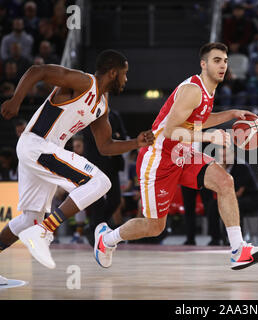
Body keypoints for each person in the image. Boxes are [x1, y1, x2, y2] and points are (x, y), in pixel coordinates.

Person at [93, 42, 258, 271]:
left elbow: (198, 119)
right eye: (217, 61)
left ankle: (239, 251)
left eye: (225, 61)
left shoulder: (209, 90)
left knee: (225, 181)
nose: (223, 66)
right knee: (154, 226)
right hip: (158, 158)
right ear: (203, 64)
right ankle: (107, 239)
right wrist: (209, 138)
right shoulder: (193, 90)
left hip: (182, 153)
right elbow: (170, 131)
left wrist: (231, 114)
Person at [0, 49, 154, 269]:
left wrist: (135, 143)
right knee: (100, 182)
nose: (126, 79)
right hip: (37, 144)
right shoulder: (83, 82)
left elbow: (106, 146)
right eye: (124, 73)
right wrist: (16, 100)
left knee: (29, 219)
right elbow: (38, 71)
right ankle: (44, 230)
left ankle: (39, 228)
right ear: (112, 73)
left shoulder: (102, 105)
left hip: (39, 152)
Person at [82, 107, 128, 247]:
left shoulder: (114, 114)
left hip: (112, 164)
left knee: (115, 200)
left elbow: (123, 136)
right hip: (95, 166)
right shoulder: (89, 115)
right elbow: (95, 140)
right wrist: (113, 137)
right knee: (97, 202)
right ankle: (96, 234)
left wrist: (112, 138)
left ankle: (94, 227)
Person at [207, 146, 258, 245]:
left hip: (252, 199)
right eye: (222, 156)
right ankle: (215, 238)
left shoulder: (242, 166)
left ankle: (233, 239)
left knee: (231, 205)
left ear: (233, 154)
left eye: (226, 155)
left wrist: (223, 200)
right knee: (213, 205)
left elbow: (239, 192)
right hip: (234, 198)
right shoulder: (219, 167)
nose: (224, 158)